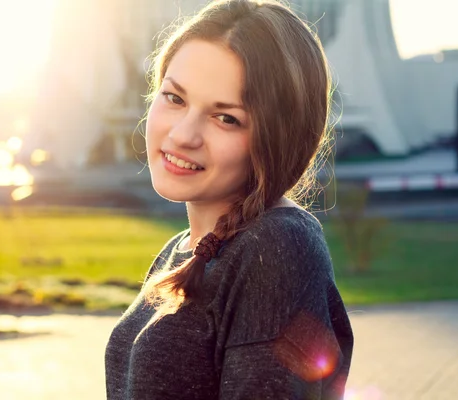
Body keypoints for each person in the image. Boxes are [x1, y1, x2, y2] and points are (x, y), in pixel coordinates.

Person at [105, 1, 354, 399]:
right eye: (174, 98)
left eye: (226, 118)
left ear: (277, 138)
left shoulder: (275, 249)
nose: (184, 135)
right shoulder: (186, 248)